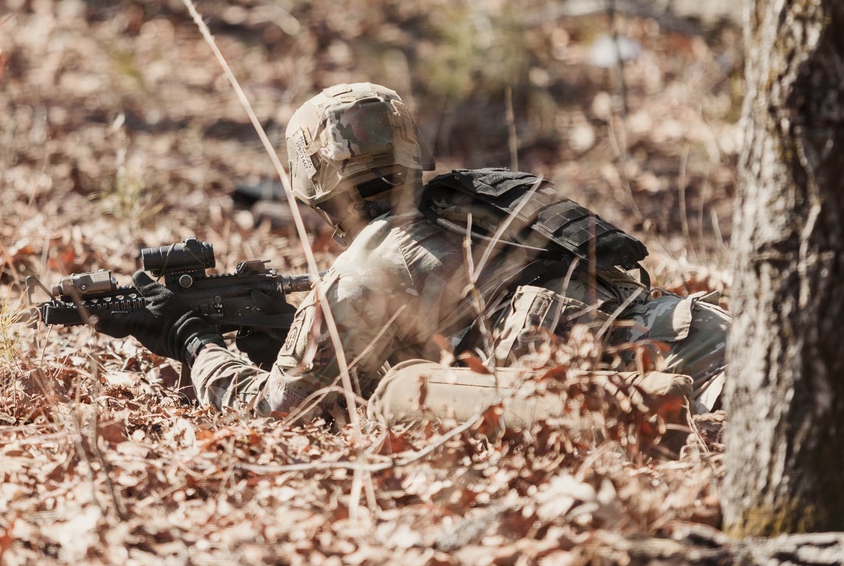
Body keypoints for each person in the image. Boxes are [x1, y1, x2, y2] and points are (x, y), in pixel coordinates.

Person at [97, 83, 727, 420]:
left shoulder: (365, 270)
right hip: (711, 335)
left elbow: (274, 415)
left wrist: (191, 340)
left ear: (314, 189)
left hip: (690, 394)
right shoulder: (483, 203)